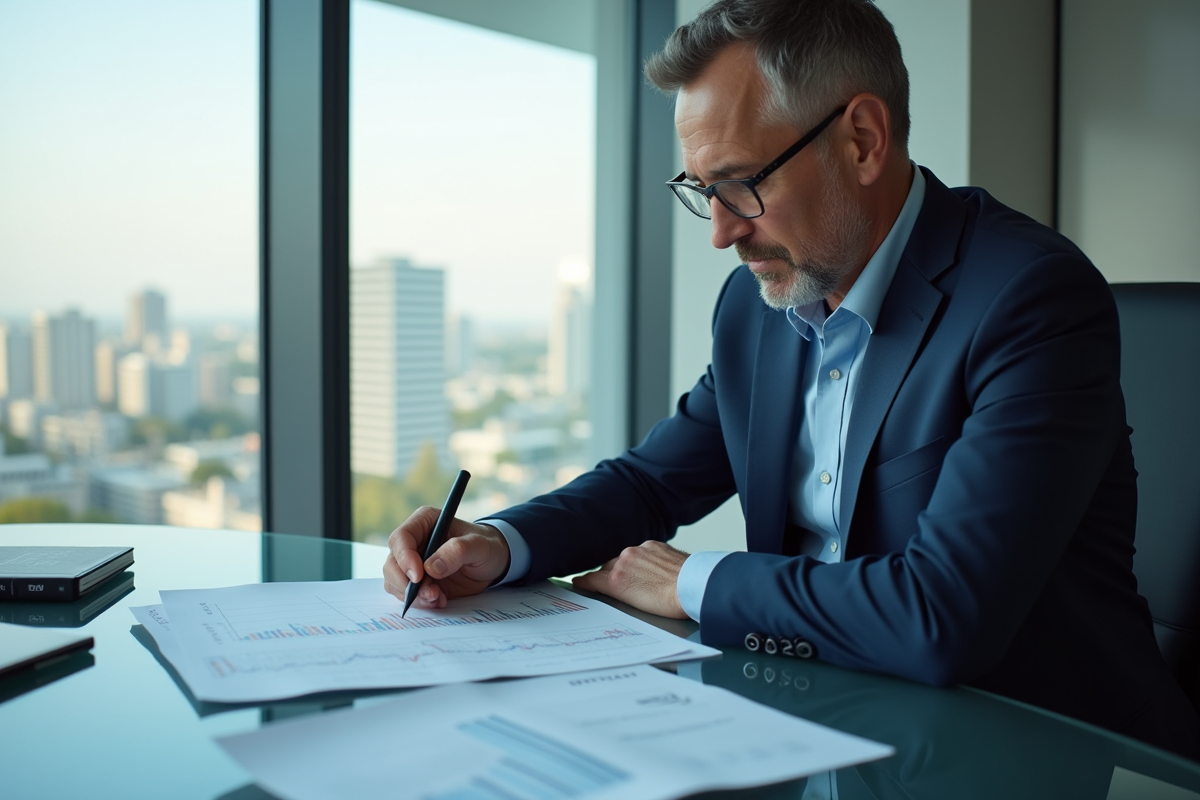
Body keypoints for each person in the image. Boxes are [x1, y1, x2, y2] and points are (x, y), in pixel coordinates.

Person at [383, 0, 1200, 759]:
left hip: (1039, 750)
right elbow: (649, 484)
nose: (722, 233)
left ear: (863, 141)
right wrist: (499, 542)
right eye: (703, 192)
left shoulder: (1029, 299)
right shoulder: (756, 307)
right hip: (818, 722)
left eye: (742, 183)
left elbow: (943, 617)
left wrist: (694, 581)